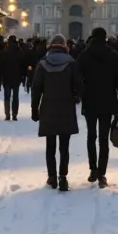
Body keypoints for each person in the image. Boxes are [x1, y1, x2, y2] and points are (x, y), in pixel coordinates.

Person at [77, 27, 118, 188]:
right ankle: (102, 174)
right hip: (108, 101)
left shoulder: (84, 55)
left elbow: (77, 77)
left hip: (90, 101)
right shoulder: (113, 56)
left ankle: (93, 169)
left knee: (91, 137)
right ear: (105, 38)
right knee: (103, 139)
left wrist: (79, 93)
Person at [32, 34, 83, 191]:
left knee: (50, 145)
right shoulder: (71, 63)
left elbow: (36, 87)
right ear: (64, 46)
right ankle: (63, 177)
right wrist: (75, 97)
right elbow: (79, 85)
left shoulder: (43, 63)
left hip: (48, 106)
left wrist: (35, 108)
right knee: (64, 146)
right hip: (66, 106)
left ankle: (52, 177)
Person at [0, 35, 26, 120]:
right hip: (17, 77)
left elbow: (0, 66)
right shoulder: (20, 52)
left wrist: (0, 78)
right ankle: (14, 114)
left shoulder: (4, 52)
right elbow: (23, 65)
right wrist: (23, 76)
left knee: (7, 97)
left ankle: (7, 114)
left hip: (6, 78)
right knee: (15, 97)